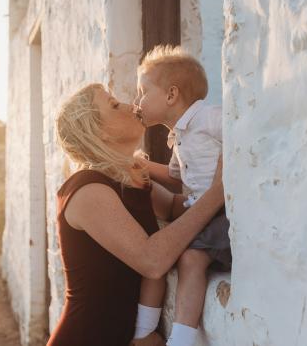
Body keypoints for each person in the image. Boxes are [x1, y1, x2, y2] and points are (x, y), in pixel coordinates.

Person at [47, 83, 225, 346]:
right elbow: (152, 260)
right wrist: (219, 191)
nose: (132, 106)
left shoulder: (129, 178)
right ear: (99, 132)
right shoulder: (87, 189)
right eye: (114, 105)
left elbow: (178, 207)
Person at [133, 45, 232, 346]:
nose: (137, 101)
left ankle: (181, 340)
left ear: (171, 95)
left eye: (143, 92)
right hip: (198, 213)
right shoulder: (179, 136)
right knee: (161, 255)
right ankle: (142, 331)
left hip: (220, 214)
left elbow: (237, 130)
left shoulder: (209, 117)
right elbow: (177, 175)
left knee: (190, 259)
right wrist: (143, 166)